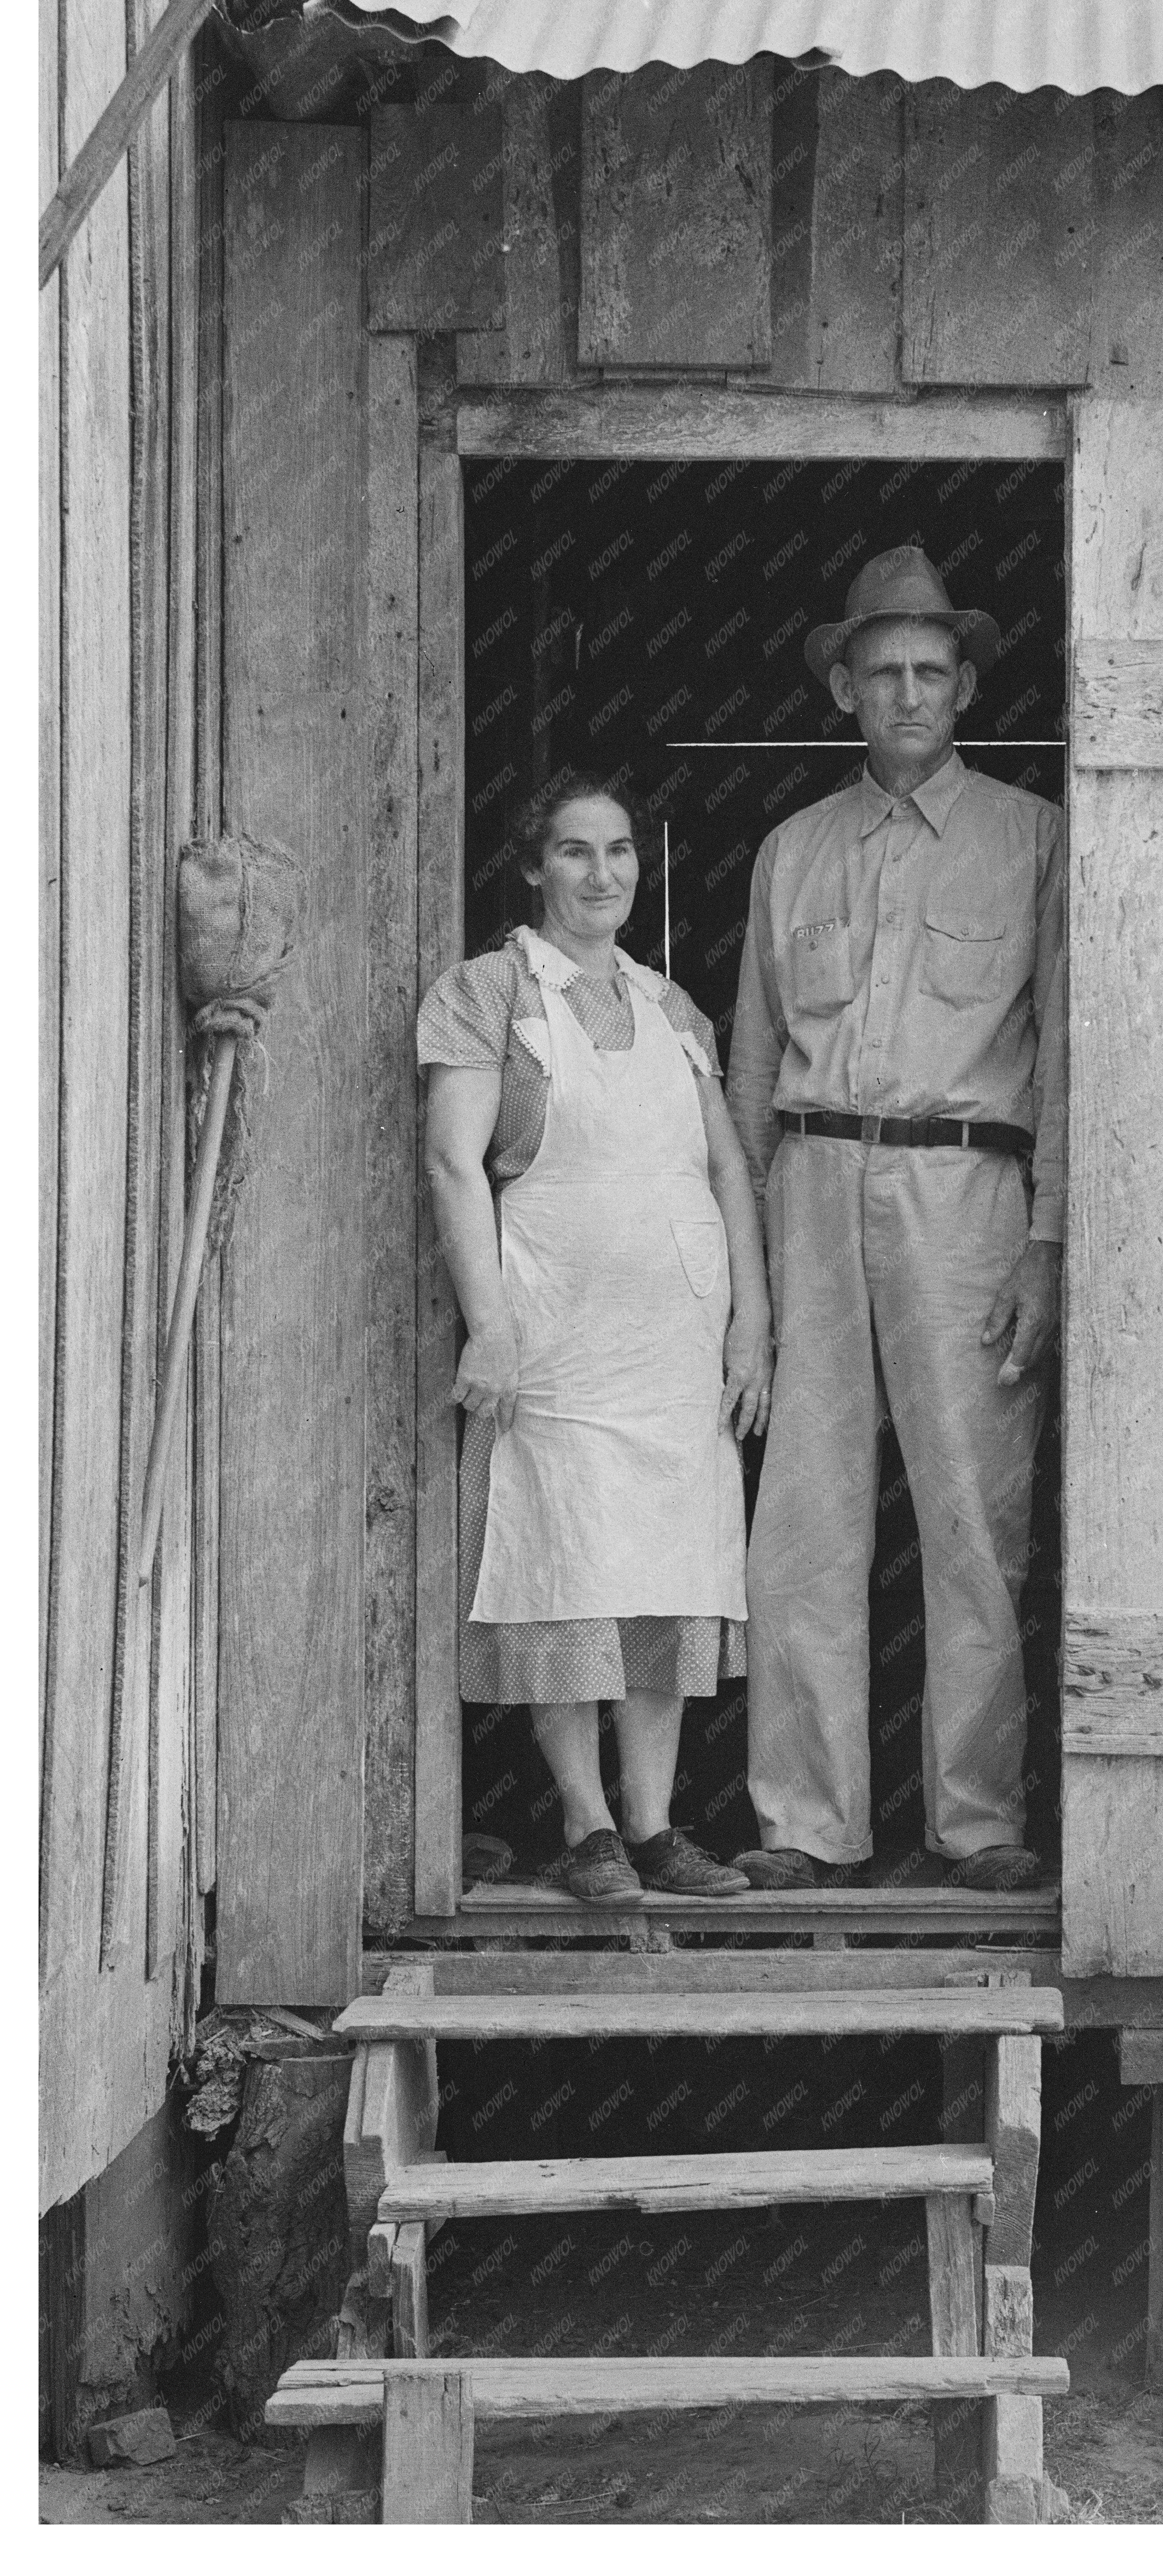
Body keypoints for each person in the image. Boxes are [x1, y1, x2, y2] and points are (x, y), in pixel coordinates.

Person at [726, 546, 1064, 1893]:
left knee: (973, 1516)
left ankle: (976, 1821)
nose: (909, 693)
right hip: (811, 1188)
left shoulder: (1035, 837)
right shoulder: (791, 850)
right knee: (805, 1518)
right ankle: (804, 1823)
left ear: (966, 684)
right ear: (844, 690)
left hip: (967, 1195)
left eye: (931, 671)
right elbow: (751, 1071)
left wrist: (1049, 1243)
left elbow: (1067, 1053)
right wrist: (743, 1267)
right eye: (883, 673)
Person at [419, 771, 771, 1900]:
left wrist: (752, 1325)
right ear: (534, 866)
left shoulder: (674, 1009)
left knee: (666, 1569)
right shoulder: (485, 993)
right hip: (557, 1336)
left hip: (675, 1343)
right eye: (574, 850)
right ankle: (588, 1828)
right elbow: (452, 1163)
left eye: (618, 851)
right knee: (564, 1565)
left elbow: (726, 1169)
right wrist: (489, 1328)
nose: (601, 872)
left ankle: (656, 1826)